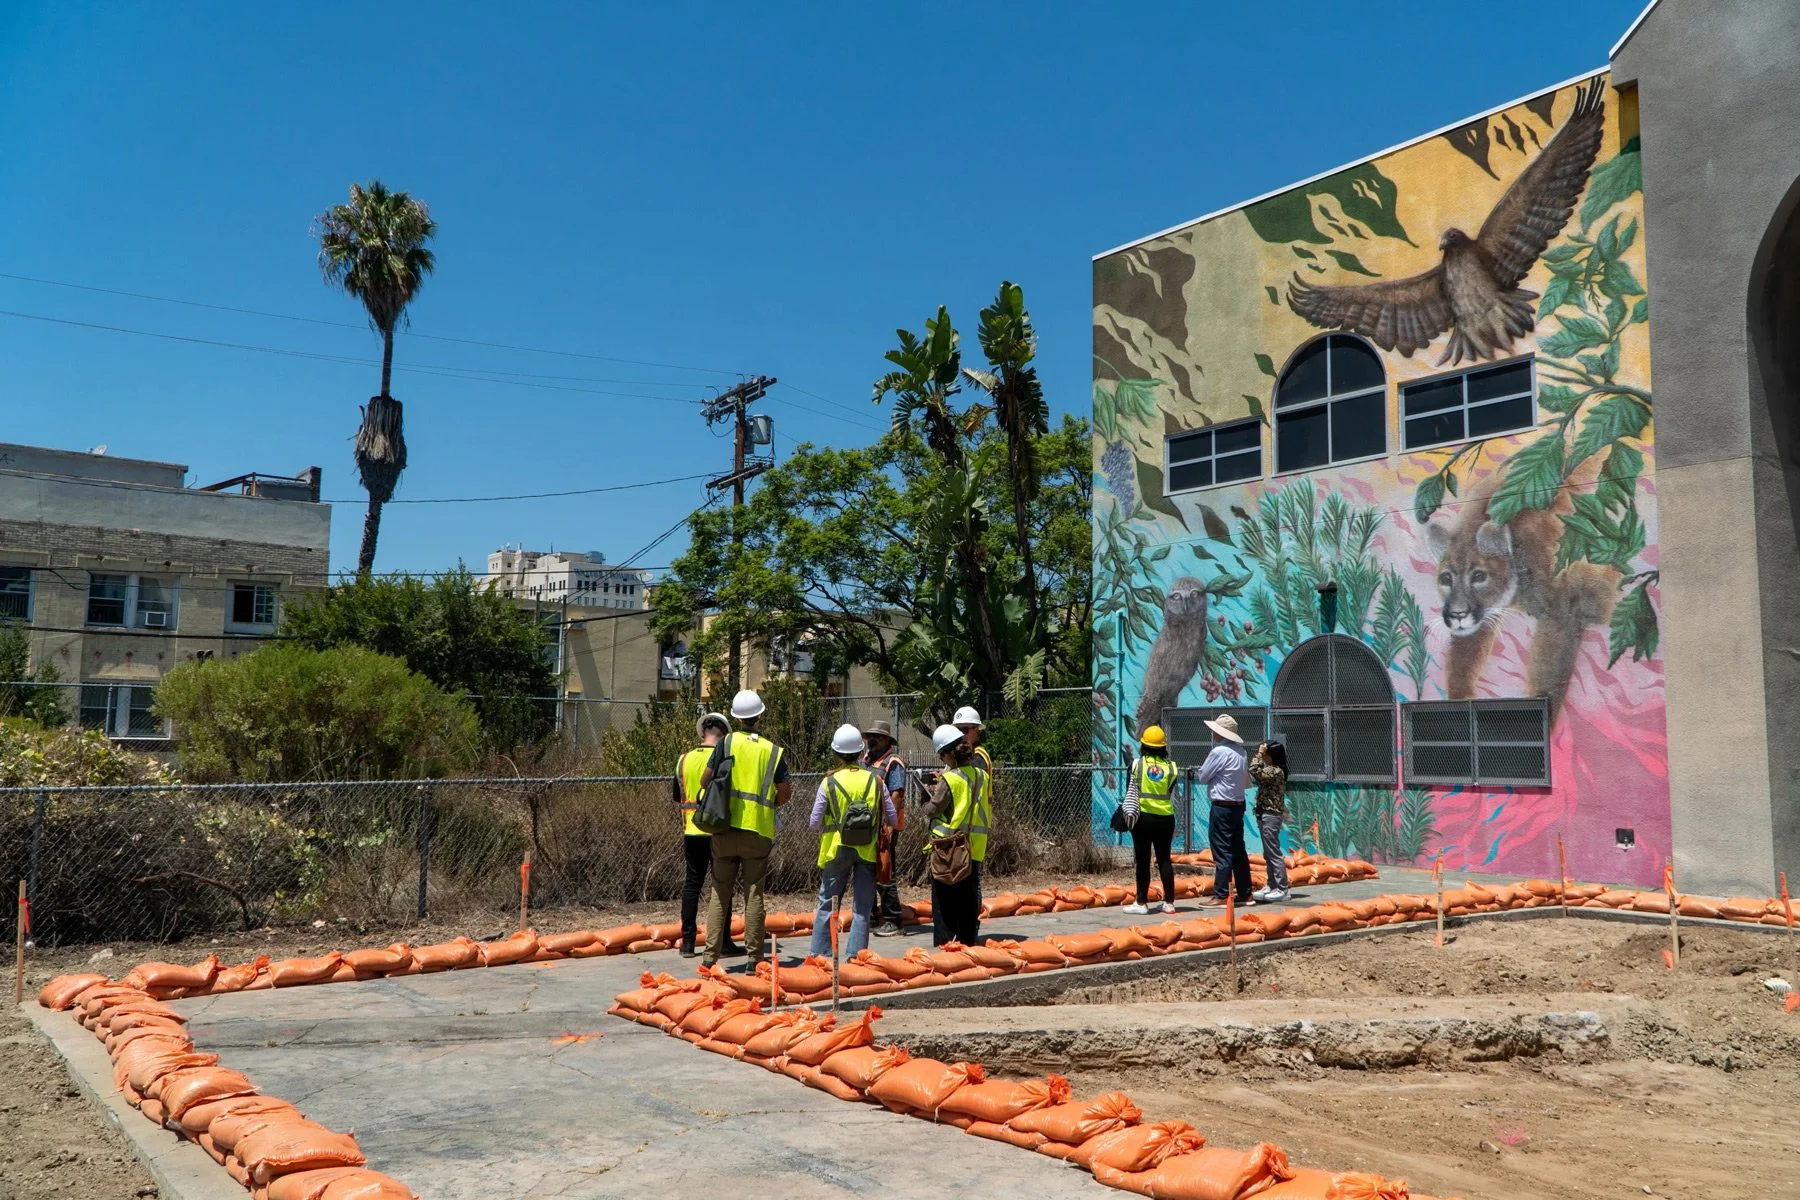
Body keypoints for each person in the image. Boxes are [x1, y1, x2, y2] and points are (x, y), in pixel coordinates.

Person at [699, 688, 792, 967]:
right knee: (754, 895)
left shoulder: (725, 744)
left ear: (736, 719)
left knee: (719, 892)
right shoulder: (772, 751)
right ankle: (755, 960)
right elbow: (785, 793)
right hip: (758, 832)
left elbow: (705, 780)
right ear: (760, 716)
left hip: (724, 829)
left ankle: (709, 958)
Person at [808, 724, 900, 959]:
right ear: (861, 753)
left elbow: (814, 822)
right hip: (867, 851)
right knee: (862, 907)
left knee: (827, 903)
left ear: (836, 753)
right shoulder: (876, 781)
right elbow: (891, 816)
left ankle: (821, 956)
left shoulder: (828, 783)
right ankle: (856, 958)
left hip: (835, 850)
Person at [921, 723, 990, 946]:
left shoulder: (950, 780)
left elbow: (934, 809)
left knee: (944, 897)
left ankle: (945, 943)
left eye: (942, 756)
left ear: (949, 755)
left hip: (950, 847)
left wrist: (926, 799)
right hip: (976, 845)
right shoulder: (981, 775)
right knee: (969, 896)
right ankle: (968, 940)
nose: (943, 761)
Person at [673, 711, 733, 957]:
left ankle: (688, 943)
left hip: (691, 829)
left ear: (702, 734)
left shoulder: (683, 759)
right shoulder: (725, 757)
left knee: (692, 884)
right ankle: (724, 941)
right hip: (718, 830)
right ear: (724, 735)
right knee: (722, 886)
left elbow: (677, 795)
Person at [1118, 725, 1179, 917]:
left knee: (1143, 860)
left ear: (1143, 745)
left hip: (1143, 817)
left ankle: (1141, 902)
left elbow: (1132, 785)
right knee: (1164, 859)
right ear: (1163, 746)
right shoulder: (1172, 767)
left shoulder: (1137, 765)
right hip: (1166, 818)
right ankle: (1169, 903)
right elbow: (1168, 791)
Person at [1195, 713, 1252, 908]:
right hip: (1238, 804)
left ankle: (1221, 894)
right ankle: (1245, 893)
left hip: (1222, 805)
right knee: (1238, 850)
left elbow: (1203, 776)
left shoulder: (1219, 752)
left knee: (1222, 850)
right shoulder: (1241, 752)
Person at [860, 719, 909, 937]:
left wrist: (889, 826)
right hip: (867, 824)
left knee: (885, 872)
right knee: (867, 872)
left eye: (876, 736)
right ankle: (871, 916)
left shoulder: (893, 763)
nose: (871, 739)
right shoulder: (868, 760)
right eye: (870, 736)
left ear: (887, 740)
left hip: (884, 827)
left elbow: (897, 795)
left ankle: (893, 920)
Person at [1249, 740, 1291, 903]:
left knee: (1273, 852)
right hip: (1263, 812)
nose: (1263, 757)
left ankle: (1282, 888)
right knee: (1268, 853)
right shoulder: (1271, 769)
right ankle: (1272, 884)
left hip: (1271, 814)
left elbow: (1254, 770)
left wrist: (1259, 754)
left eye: (1265, 754)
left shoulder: (1276, 771)